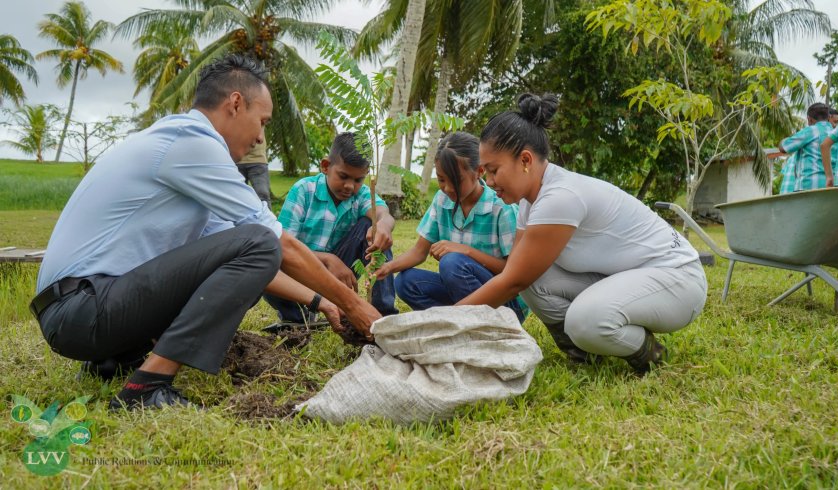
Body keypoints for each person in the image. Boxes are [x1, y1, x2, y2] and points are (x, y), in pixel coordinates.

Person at [30, 55, 380, 410]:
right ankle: (146, 387)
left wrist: (323, 303)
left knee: (253, 248)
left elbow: (253, 263)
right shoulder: (192, 141)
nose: (260, 136)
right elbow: (271, 244)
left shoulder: (184, 152)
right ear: (235, 103)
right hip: (80, 310)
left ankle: (113, 359)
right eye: (261, 122)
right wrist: (354, 305)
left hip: (80, 311)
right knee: (260, 240)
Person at [456, 93, 708, 375]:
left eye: (493, 171)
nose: (489, 182)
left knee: (584, 321)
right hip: (630, 275)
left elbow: (512, 282)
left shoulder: (560, 197)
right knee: (534, 280)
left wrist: (447, 319)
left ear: (525, 160)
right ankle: (585, 352)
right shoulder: (531, 201)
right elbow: (516, 270)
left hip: (679, 280)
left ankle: (650, 353)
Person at [374, 132, 526, 323]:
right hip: (463, 292)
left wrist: (465, 251)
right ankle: (454, 323)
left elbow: (513, 272)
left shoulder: (501, 208)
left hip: (505, 303)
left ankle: (480, 325)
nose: (447, 188)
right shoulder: (442, 200)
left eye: (456, 180)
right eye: (441, 179)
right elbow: (419, 252)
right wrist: (388, 267)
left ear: (479, 171)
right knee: (406, 282)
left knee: (452, 262)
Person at [266, 132, 399, 323]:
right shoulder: (304, 191)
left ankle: (383, 316)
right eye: (343, 176)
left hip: (340, 274)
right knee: (269, 261)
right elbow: (283, 248)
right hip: (300, 270)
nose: (349, 186)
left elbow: (382, 212)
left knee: (372, 228)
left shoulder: (361, 195)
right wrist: (328, 259)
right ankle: (297, 317)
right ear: (326, 166)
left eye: (358, 180)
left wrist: (384, 225)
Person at [778, 103, 833, 192]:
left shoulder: (811, 131)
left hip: (808, 186)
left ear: (809, 119)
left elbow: (783, 148)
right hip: (831, 186)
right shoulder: (836, 132)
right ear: (829, 117)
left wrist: (784, 140)